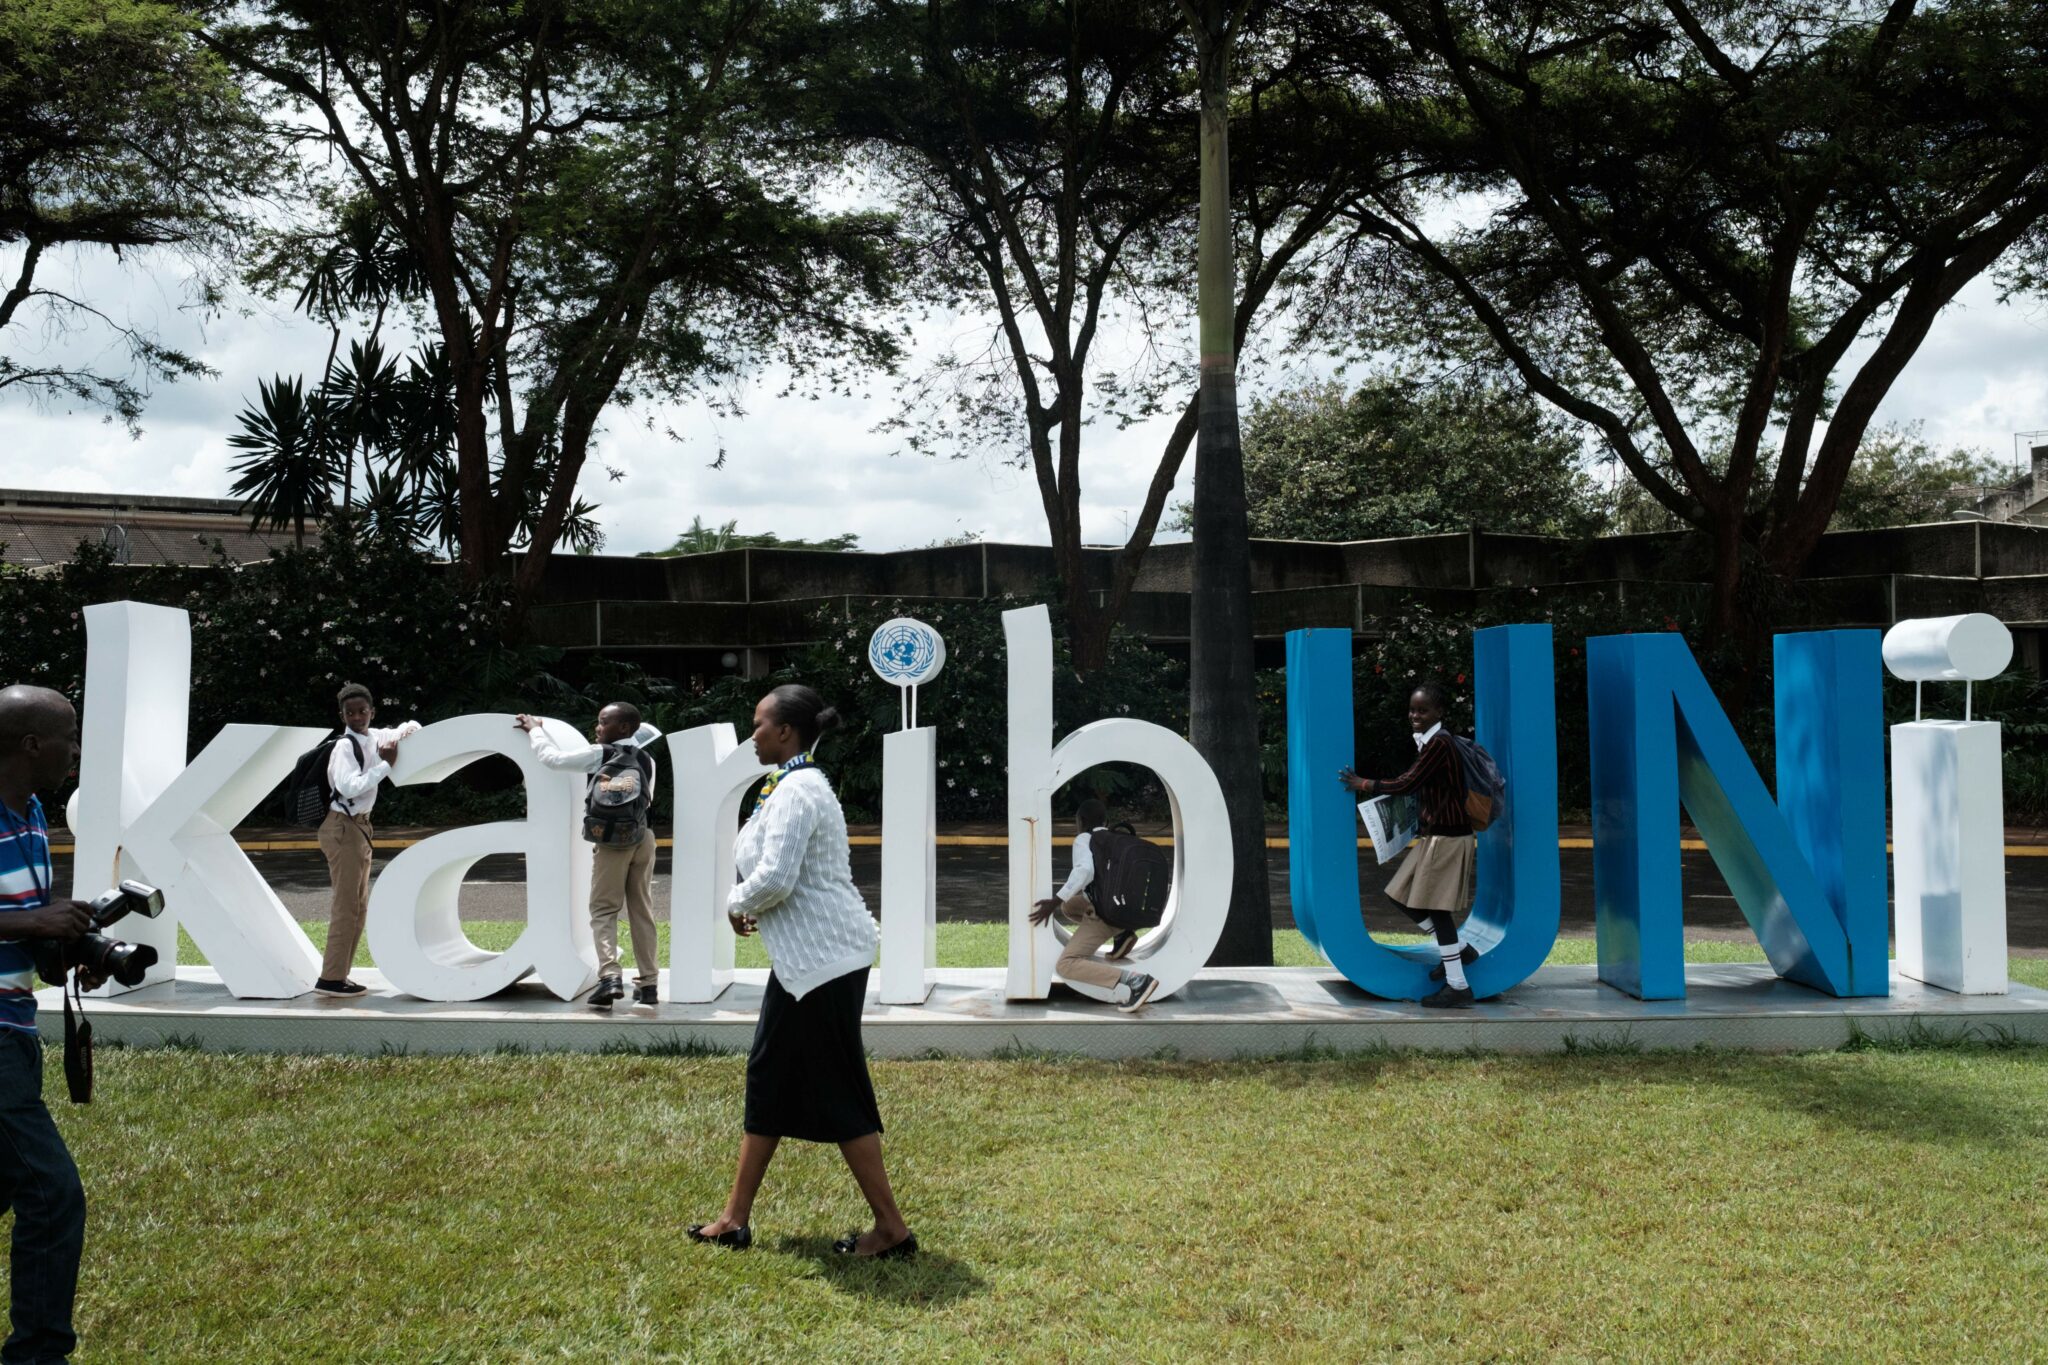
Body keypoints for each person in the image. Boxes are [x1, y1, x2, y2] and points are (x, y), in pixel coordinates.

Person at [687, 684, 913, 1260]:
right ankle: (735, 1218)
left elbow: (776, 879)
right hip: (806, 964)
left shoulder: (799, 790)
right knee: (770, 1077)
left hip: (824, 965)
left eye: (758, 723)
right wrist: (749, 903)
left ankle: (891, 1230)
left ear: (785, 731)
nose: (752, 733)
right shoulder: (791, 784)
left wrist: (736, 902)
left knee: (836, 1090)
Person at [0, 685, 105, 1363]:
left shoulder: (33, 812)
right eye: (70, 733)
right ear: (33, 744)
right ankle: (38, 1356)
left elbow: (23, 926)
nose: (76, 748)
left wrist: (67, 950)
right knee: (52, 1192)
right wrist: (39, 920)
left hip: (17, 1029)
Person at [513, 704, 663, 1009]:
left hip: (612, 842)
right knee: (641, 911)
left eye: (603, 722)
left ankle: (609, 976)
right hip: (643, 837)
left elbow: (553, 760)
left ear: (623, 728)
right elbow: (645, 799)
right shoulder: (648, 760)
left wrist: (536, 730)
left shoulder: (602, 754)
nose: (597, 727)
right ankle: (649, 986)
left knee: (604, 911)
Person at [1340, 681, 1480, 1008]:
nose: (1415, 715)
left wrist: (1365, 784)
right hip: (1435, 835)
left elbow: (1409, 782)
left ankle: (1457, 986)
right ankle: (1458, 952)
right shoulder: (1430, 743)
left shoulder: (1440, 745)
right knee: (1400, 895)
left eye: (1423, 710)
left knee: (1437, 910)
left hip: (1449, 837)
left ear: (1439, 712)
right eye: (1413, 709)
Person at [315, 683, 419, 998]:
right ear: (342, 715)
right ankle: (330, 979)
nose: (357, 716)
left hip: (359, 827)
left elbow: (411, 726)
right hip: (343, 827)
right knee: (346, 907)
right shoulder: (344, 747)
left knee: (359, 907)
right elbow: (349, 787)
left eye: (362, 711)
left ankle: (339, 976)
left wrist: (404, 733)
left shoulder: (374, 737)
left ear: (372, 712)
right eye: (350, 712)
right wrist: (386, 765)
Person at [1030, 799, 1160, 1012]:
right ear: (1106, 821)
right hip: (1125, 911)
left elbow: (1084, 871)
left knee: (1067, 964)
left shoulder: (1084, 839)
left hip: (1104, 916)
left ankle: (1135, 981)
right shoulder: (1116, 838)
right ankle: (1122, 934)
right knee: (1070, 907)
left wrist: (1055, 900)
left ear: (1080, 821)